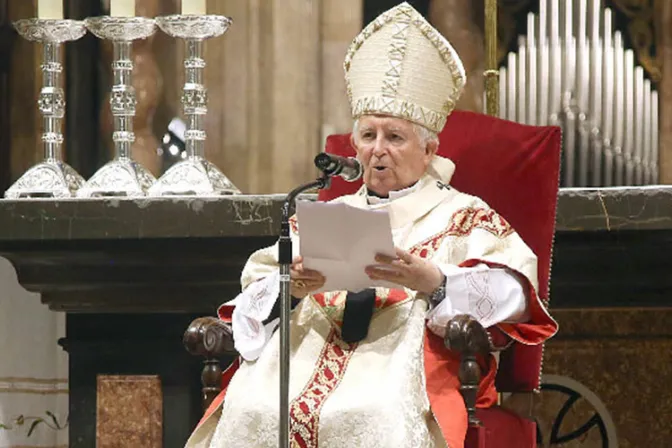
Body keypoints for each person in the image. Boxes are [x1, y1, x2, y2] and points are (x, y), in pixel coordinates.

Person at [185, 3, 557, 448]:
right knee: (253, 409)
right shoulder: (328, 212)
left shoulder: (463, 215)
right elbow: (251, 299)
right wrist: (291, 287)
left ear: (429, 149)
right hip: (298, 364)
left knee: (369, 415)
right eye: (367, 136)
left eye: (395, 137)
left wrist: (435, 281)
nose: (377, 150)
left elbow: (515, 294)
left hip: (399, 374)